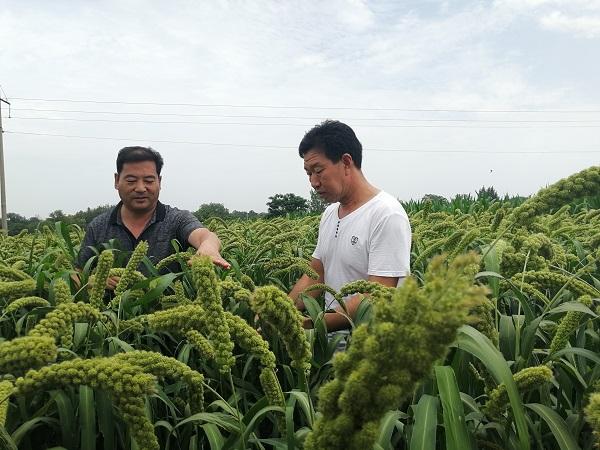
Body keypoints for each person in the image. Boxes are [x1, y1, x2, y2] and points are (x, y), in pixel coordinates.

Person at [288, 120, 411, 331]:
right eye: (309, 173)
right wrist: (280, 312)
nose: (313, 182)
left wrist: (309, 325)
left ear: (346, 162)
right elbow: (315, 275)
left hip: (369, 351)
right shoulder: (329, 214)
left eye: (318, 170)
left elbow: (377, 295)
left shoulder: (386, 214)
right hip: (330, 348)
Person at [76, 146, 229, 287]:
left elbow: (205, 235)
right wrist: (92, 280)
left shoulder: (176, 219)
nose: (141, 188)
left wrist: (208, 248)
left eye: (149, 180)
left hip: (169, 313)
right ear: (117, 181)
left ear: (159, 182)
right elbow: (79, 272)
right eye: (131, 181)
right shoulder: (99, 226)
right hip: (112, 314)